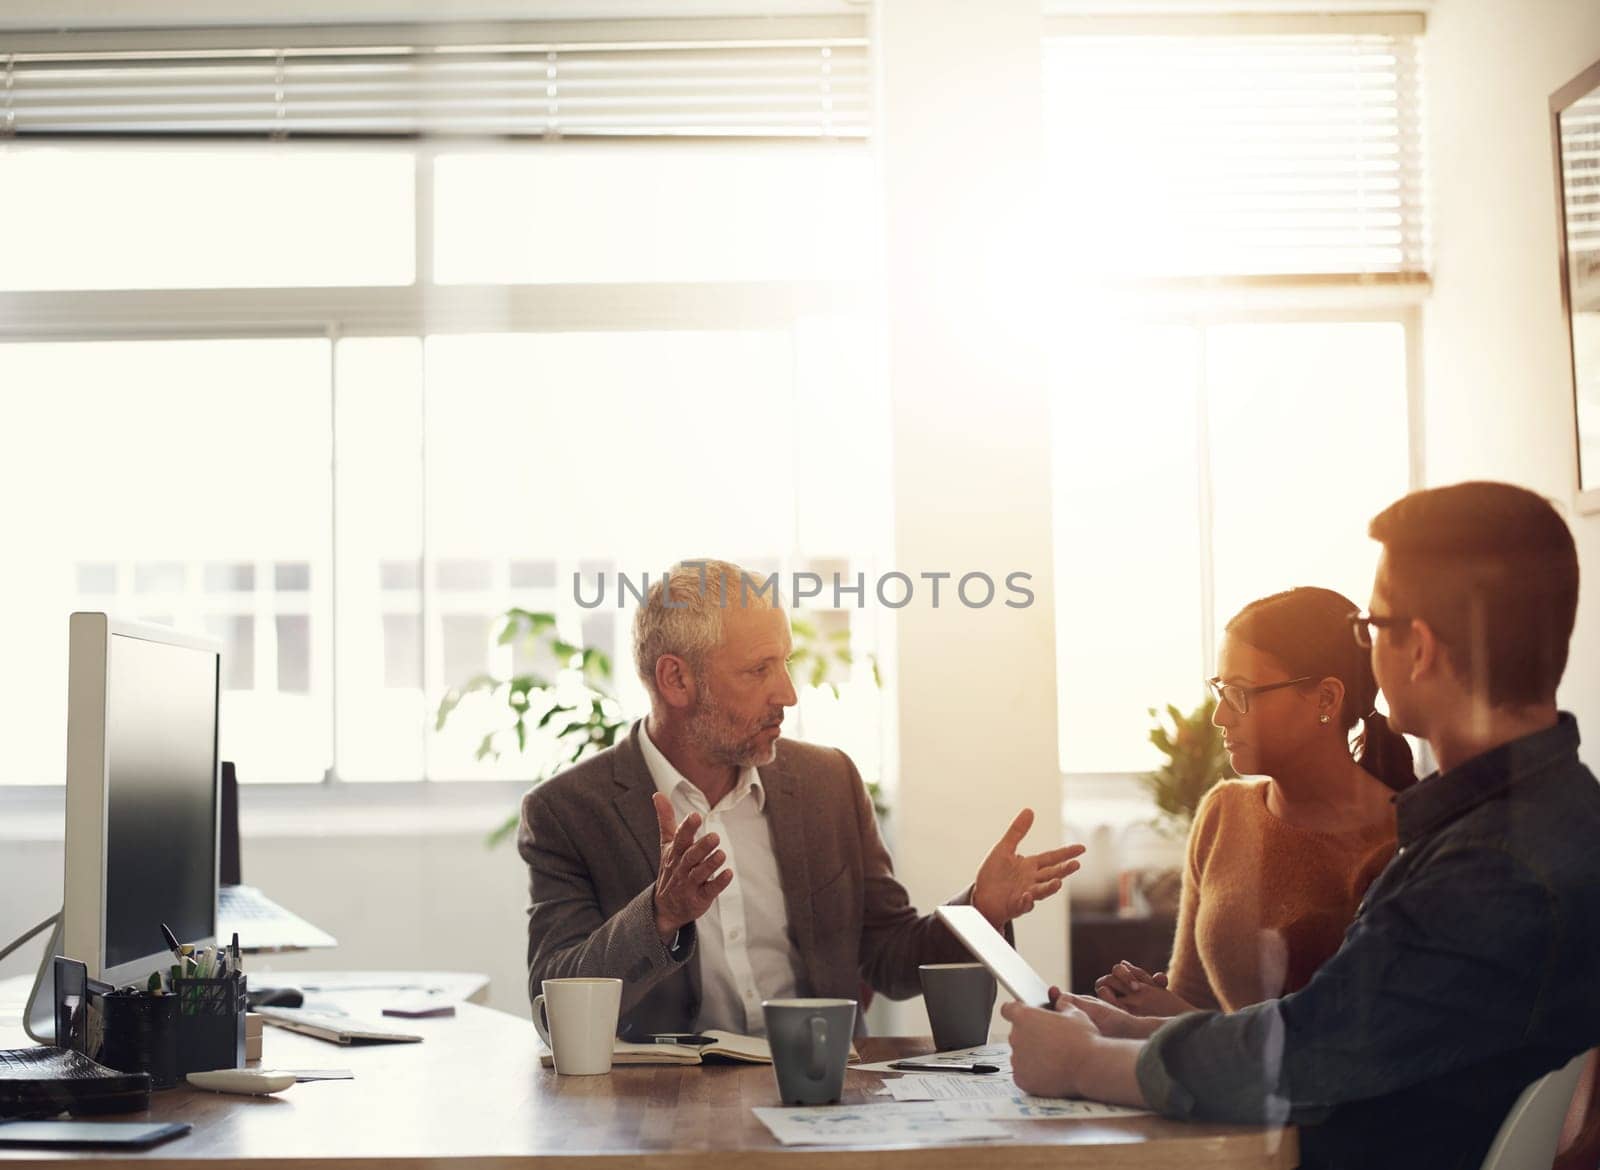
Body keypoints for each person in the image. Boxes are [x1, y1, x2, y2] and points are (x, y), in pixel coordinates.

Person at [1004, 481, 1600, 1170]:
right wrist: (1129, 1030)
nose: (1366, 648)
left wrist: (1084, 1064)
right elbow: (1334, 1029)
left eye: (1371, 627)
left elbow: (1306, 1054)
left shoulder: (1491, 865)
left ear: (1421, 649)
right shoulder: (1546, 817)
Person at [518, 559, 1084, 1039]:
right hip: (662, 1110)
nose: (787, 693)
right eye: (758, 669)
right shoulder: (568, 813)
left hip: (822, 1092)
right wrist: (661, 916)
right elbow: (554, 1009)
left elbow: (889, 960)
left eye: (783, 663)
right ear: (676, 681)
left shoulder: (827, 783)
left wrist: (980, 910)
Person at [1095, 587, 1414, 1019]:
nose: (1220, 716)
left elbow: (1347, 1041)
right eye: (1221, 690)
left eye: (1240, 693)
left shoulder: (1399, 841)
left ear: (1325, 699)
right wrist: (1145, 1004)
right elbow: (1195, 997)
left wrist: (1173, 1023)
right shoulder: (1224, 812)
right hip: (1219, 1082)